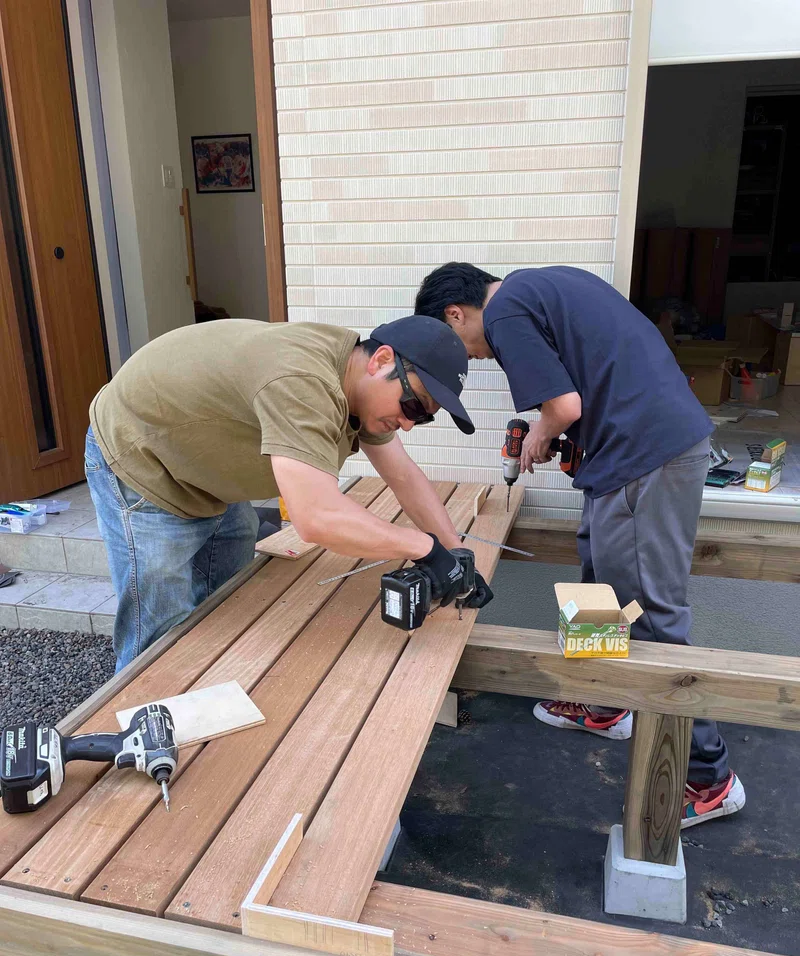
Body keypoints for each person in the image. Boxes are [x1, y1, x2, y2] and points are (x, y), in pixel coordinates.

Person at [415, 263, 745, 829]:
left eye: (458, 344)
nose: (471, 357)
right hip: (628, 457)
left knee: (650, 615)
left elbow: (564, 407)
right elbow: (587, 389)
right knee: (598, 579)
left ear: (456, 313)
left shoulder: (506, 311)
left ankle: (709, 777)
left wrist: (540, 434)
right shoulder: (540, 287)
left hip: (648, 456)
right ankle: (605, 704)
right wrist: (555, 430)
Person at [86, 315, 493, 672]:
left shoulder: (357, 384)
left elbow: (402, 475)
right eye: (414, 406)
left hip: (203, 472)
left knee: (228, 605)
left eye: (422, 419)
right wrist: (424, 548)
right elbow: (316, 518)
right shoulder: (304, 381)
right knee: (159, 634)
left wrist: (456, 552)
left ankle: (205, 693)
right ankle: (137, 717)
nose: (408, 423)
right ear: (382, 360)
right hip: (143, 458)